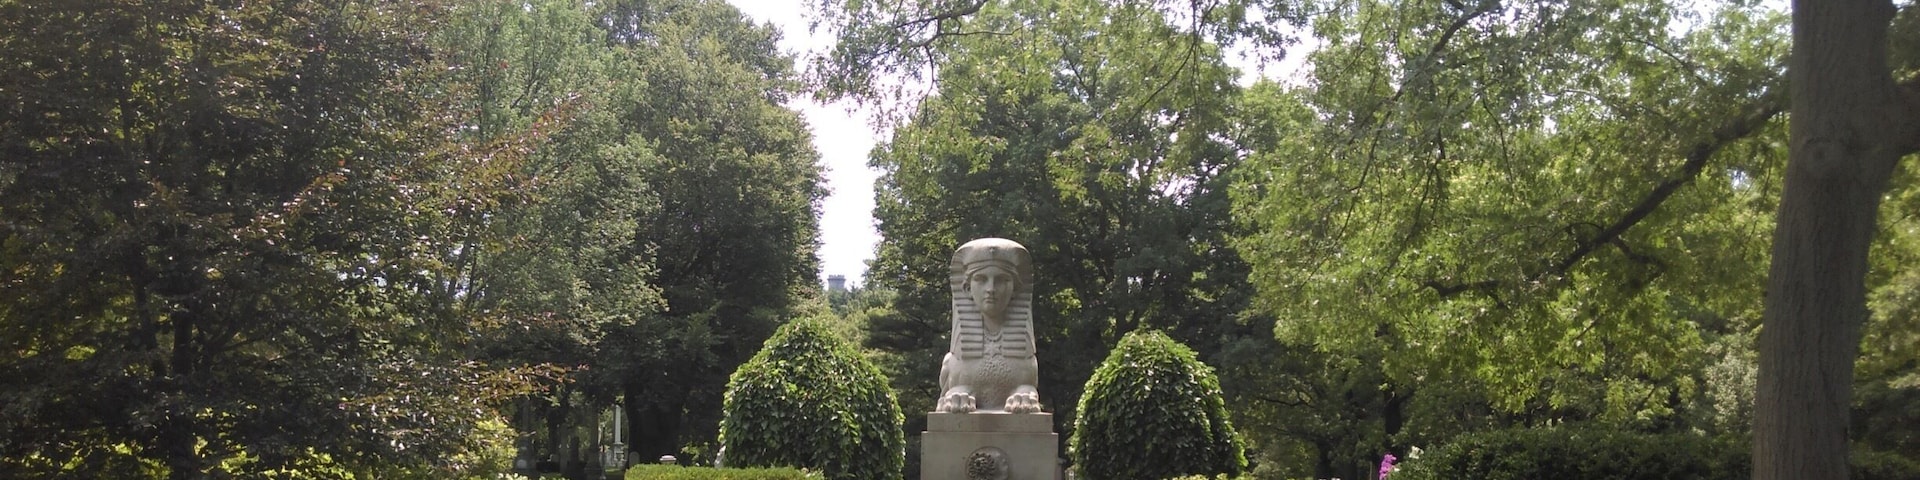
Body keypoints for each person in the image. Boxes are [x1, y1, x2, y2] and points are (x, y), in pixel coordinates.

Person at [936, 238, 1043, 413]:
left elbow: (1026, 385)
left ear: (1015, 288)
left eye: (1001, 279)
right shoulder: (958, 358)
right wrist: (956, 392)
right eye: (981, 279)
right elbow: (958, 385)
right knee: (948, 361)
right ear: (967, 289)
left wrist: (1026, 392)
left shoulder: (1025, 356)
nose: (991, 289)